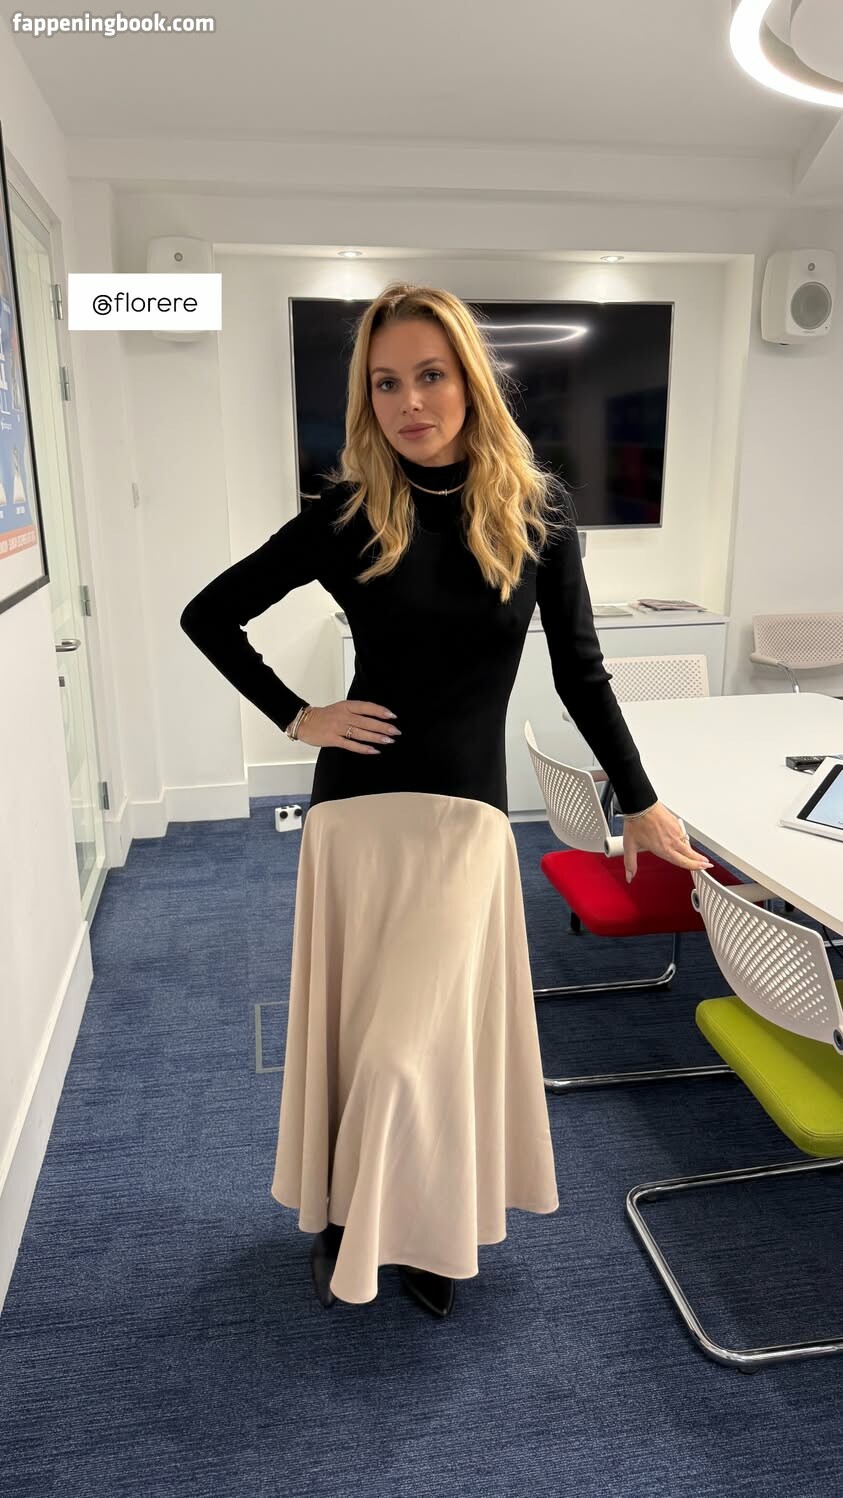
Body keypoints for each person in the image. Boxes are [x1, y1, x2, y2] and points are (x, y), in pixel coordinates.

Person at [180, 282, 711, 1320]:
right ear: (365, 397)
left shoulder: (539, 514)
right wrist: (298, 715)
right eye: (386, 383)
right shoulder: (344, 516)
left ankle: (417, 1224)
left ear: (470, 380)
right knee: (360, 1038)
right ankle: (351, 1215)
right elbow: (210, 616)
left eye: (430, 375)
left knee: (413, 1047)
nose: (409, 401)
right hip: (355, 821)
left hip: (464, 824)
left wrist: (640, 800)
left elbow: (582, 672)